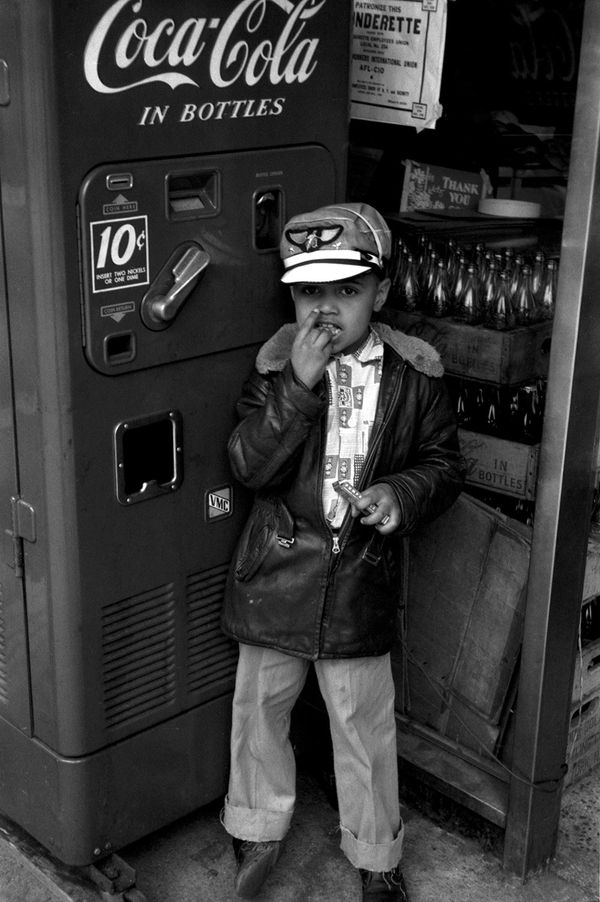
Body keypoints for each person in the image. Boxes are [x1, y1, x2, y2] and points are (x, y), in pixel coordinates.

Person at [220, 202, 465, 900]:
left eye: (347, 291)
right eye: (308, 292)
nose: (325, 310)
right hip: (276, 576)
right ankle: (255, 830)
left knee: (363, 725)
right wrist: (295, 388)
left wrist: (401, 493)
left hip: (360, 578)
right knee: (259, 710)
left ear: (381, 291)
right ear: (291, 295)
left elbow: (445, 464)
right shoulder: (276, 367)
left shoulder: (416, 376)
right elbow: (249, 465)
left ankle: (376, 854)